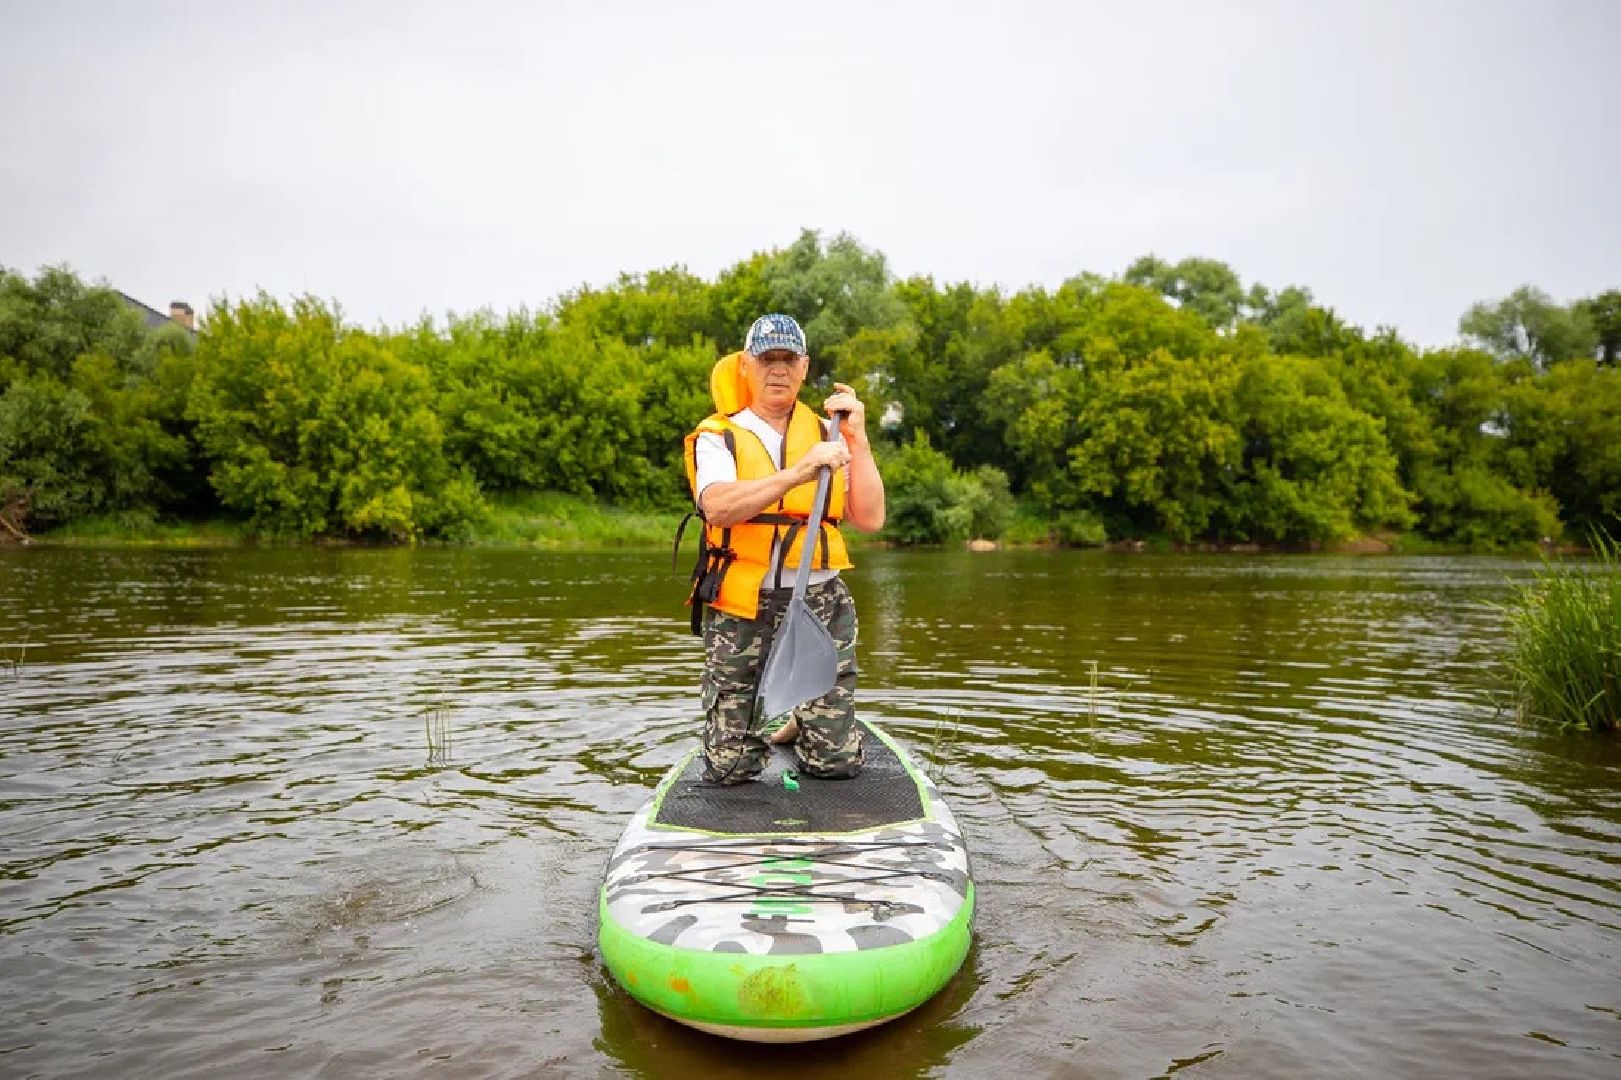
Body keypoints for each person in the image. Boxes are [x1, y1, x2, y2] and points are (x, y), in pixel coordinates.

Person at [682, 313, 886, 785]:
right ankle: (759, 723)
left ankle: (808, 722)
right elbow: (717, 506)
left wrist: (859, 438)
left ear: (804, 366)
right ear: (746, 366)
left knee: (834, 765)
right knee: (731, 769)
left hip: (818, 600)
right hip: (743, 604)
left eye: (788, 359)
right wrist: (800, 472)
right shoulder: (718, 435)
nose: (778, 369)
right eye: (767, 358)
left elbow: (871, 519)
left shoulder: (829, 435)